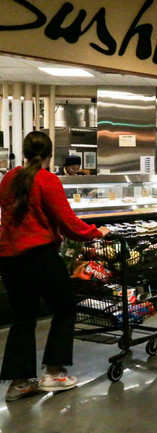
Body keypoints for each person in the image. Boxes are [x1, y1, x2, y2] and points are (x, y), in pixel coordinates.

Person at [0, 132, 109, 402]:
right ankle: (54, 371)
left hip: (10, 258)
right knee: (64, 307)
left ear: (24, 153)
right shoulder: (47, 180)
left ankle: (20, 382)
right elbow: (68, 222)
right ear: (50, 155)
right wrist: (96, 233)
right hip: (40, 255)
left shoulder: (8, 179)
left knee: (23, 317)